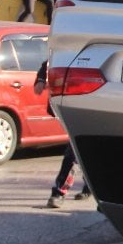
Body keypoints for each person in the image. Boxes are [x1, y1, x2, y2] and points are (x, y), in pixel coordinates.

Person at [34, 61, 90, 208]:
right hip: (69, 104)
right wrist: (40, 80)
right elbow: (50, 61)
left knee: (75, 151)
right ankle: (90, 186)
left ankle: (59, 192)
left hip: (91, 103)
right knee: (80, 150)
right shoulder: (68, 45)